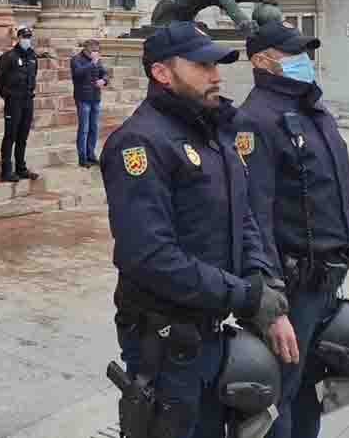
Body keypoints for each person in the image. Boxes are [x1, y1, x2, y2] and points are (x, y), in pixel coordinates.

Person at [102, 22, 294, 437]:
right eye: (201, 65)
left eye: (217, 64)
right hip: (165, 341)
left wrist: (261, 281)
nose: (215, 75)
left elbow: (243, 217)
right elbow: (151, 256)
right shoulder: (139, 143)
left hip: (212, 328)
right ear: (161, 73)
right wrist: (245, 296)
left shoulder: (215, 132)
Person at [236, 20, 349, 438]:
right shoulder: (255, 121)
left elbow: (335, 201)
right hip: (290, 288)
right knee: (278, 397)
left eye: (305, 53)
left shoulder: (314, 112)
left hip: (326, 281)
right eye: (292, 54)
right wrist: (272, 306)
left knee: (310, 390)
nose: (304, 61)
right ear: (261, 60)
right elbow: (254, 218)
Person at [0, 26, 40, 182]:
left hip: (28, 100)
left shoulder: (33, 56)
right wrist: (7, 95)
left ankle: (21, 168)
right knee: (10, 135)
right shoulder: (8, 57)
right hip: (14, 101)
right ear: (18, 38)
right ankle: (6, 171)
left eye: (29, 37)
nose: (27, 40)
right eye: (24, 37)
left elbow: (34, 75)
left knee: (23, 136)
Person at [70, 38, 108, 168]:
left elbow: (104, 73)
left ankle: (91, 155)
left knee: (93, 128)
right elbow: (77, 73)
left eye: (97, 50)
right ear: (87, 49)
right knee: (84, 129)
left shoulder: (97, 60)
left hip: (95, 97)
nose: (96, 52)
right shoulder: (76, 59)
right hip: (83, 98)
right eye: (94, 50)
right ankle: (82, 157)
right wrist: (92, 63)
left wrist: (104, 80)